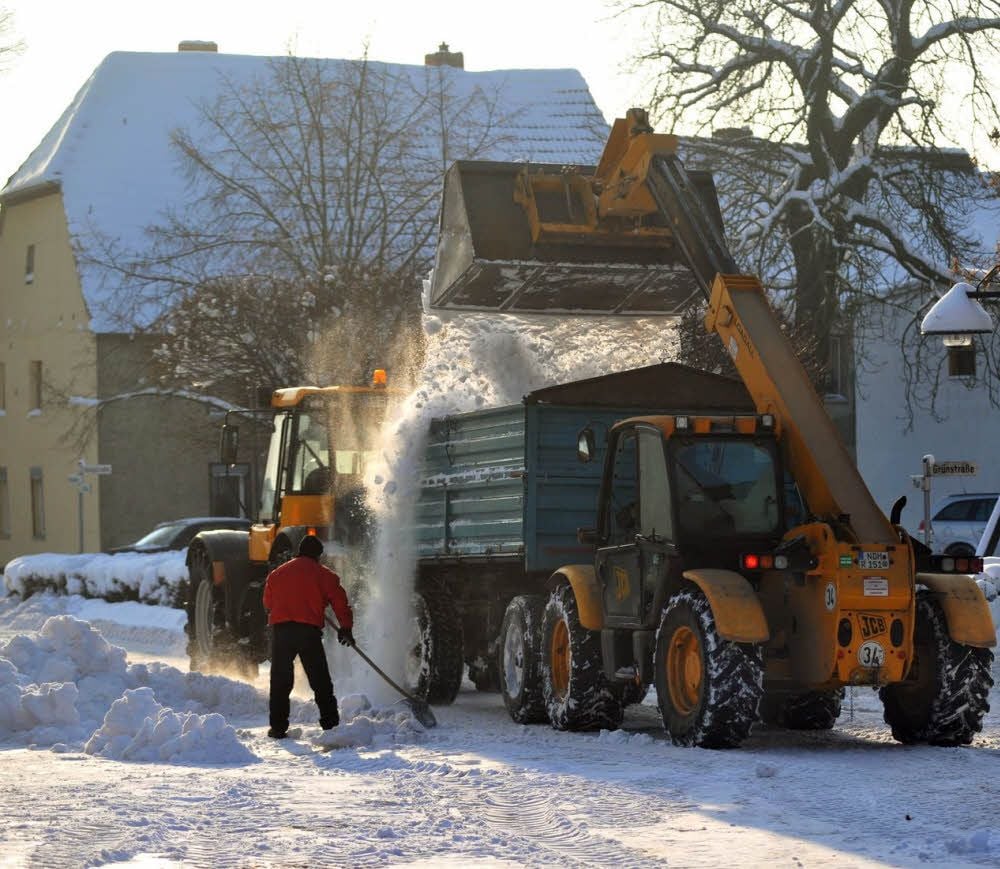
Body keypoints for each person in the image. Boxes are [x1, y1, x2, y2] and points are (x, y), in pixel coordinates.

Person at [262, 534, 356, 738]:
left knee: (280, 681)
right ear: (318, 555)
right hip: (308, 633)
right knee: (320, 680)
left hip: (282, 632)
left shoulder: (277, 574)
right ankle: (330, 726)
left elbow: (268, 603)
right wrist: (346, 628)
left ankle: (277, 728)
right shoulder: (325, 575)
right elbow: (340, 603)